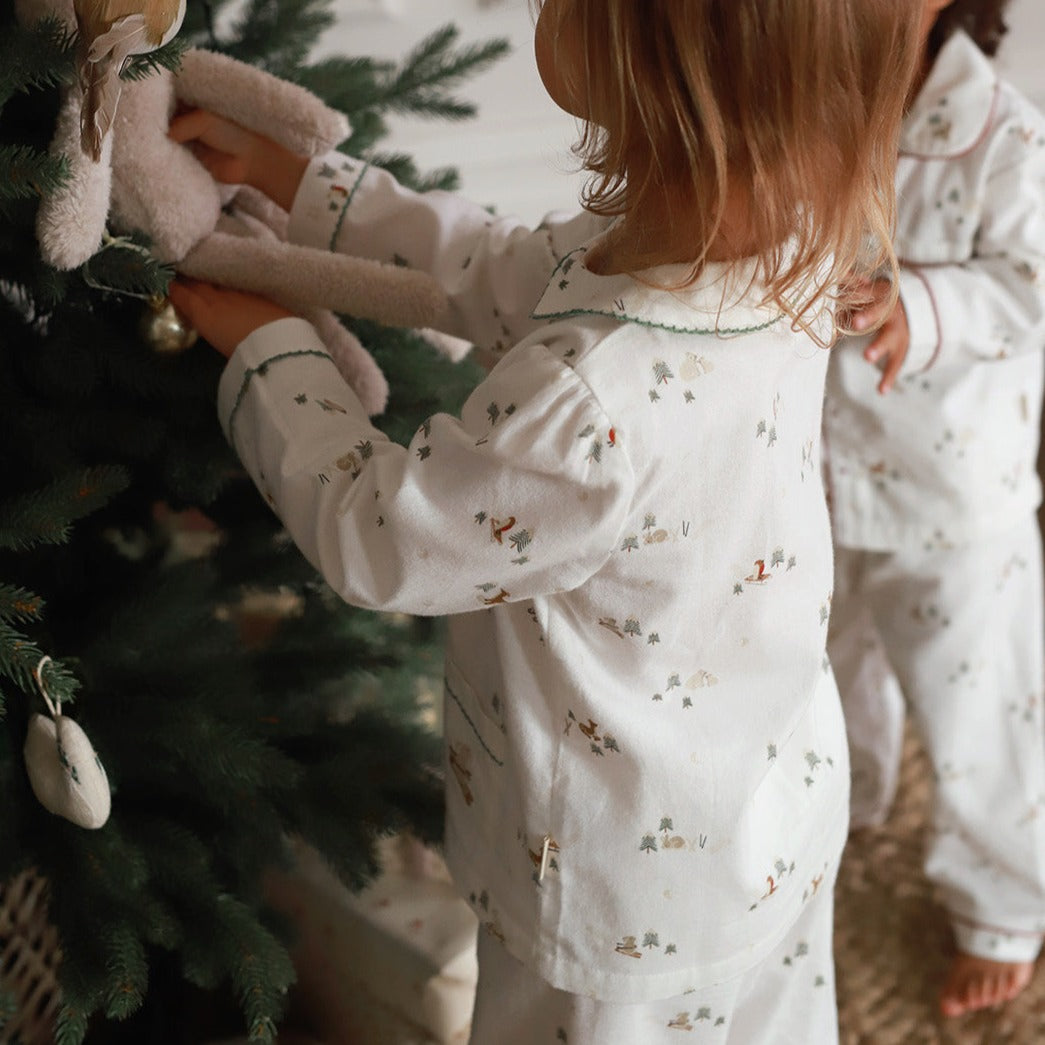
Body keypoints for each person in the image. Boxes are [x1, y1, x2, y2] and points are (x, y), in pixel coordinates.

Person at [168, 1, 920, 1040]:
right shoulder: (784, 244)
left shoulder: (588, 406)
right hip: (769, 813)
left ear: (650, 61)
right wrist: (307, 186)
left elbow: (386, 538)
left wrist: (272, 349)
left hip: (615, 904)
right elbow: (498, 268)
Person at [824, 0, 1045, 1019]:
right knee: (823, 672)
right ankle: (852, 806)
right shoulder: (808, 104)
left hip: (951, 494)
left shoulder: (1002, 131)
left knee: (980, 714)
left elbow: (1029, 283)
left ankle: (1004, 904)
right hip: (816, 473)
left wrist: (927, 305)